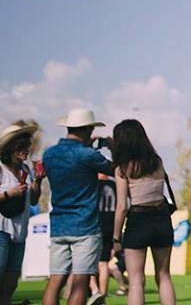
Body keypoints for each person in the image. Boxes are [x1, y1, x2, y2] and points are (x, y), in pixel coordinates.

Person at [42, 109, 113, 305]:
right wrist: (111, 148)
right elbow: (115, 170)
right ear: (88, 129)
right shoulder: (88, 155)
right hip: (85, 226)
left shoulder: (49, 154)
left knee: (55, 282)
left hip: (58, 225)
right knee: (81, 282)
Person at [111, 119, 176, 305]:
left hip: (138, 221)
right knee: (164, 276)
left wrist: (116, 238)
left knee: (136, 281)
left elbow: (122, 206)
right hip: (162, 220)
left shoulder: (122, 169)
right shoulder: (157, 163)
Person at [1, 121, 42, 305]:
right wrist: (10, 193)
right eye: (22, 146)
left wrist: (38, 181)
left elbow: (33, 200)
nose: (26, 150)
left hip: (19, 232)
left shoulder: (25, 170)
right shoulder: (1, 169)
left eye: (27, 146)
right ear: (11, 147)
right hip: (2, 230)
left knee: (10, 283)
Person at [90, 173, 127, 305]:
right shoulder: (115, 185)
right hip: (110, 227)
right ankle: (103, 295)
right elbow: (121, 206)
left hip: (94, 225)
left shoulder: (93, 184)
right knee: (103, 263)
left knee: (88, 263)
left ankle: (95, 291)